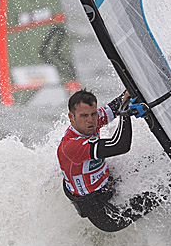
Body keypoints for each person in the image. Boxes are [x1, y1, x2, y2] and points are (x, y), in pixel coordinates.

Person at [57, 89, 156, 232]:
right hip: (105, 214)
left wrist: (129, 93)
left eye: (93, 114)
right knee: (165, 190)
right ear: (71, 117)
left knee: (152, 162)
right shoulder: (71, 146)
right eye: (84, 116)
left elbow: (116, 105)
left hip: (107, 184)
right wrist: (125, 114)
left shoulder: (91, 122)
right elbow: (119, 145)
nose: (90, 120)